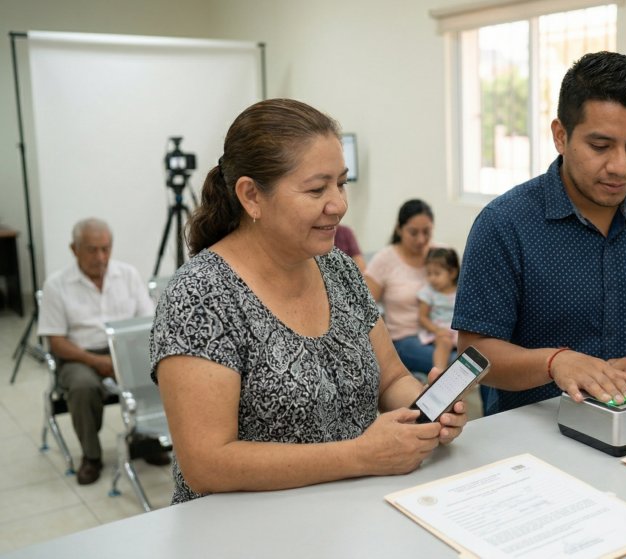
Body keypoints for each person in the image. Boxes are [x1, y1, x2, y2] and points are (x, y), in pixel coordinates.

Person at [150, 99, 467, 504]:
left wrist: (426, 411)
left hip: (348, 512)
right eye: (317, 189)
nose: (338, 204)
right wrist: (358, 456)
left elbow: (392, 379)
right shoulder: (200, 296)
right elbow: (206, 464)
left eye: (342, 183)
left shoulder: (338, 269)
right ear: (251, 196)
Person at [452, 51, 626, 415]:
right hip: (533, 434)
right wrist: (554, 364)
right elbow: (474, 352)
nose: (621, 166)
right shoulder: (504, 224)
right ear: (561, 136)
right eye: (600, 146)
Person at [38, 217, 167, 485]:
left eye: (106, 249)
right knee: (83, 386)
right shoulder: (57, 285)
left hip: (125, 347)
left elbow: (146, 323)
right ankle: (91, 456)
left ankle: (146, 438)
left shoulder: (127, 274)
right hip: (79, 355)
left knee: (160, 368)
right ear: (74, 249)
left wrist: (122, 356)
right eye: (92, 249)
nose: (100, 257)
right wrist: (96, 361)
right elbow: (56, 342)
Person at [365, 199, 449, 374]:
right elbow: (364, 309)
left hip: (442, 333)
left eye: (427, 232)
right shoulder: (384, 260)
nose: (421, 239)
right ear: (399, 229)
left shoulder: (442, 255)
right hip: (405, 339)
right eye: (413, 232)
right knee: (456, 364)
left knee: (483, 358)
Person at [417, 248, 460, 371]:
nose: (432, 278)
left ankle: (469, 380)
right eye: (429, 274)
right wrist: (437, 330)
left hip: (458, 331)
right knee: (444, 342)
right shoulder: (428, 292)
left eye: (437, 273)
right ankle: (438, 372)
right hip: (439, 331)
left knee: (471, 344)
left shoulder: (460, 290)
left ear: (452, 273)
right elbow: (422, 317)